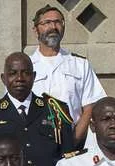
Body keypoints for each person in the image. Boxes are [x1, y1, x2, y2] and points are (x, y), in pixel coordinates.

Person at [29, 6, 107, 147]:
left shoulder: (80, 64)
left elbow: (91, 106)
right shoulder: (26, 66)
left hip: (73, 143)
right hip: (35, 145)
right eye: (47, 23)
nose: (53, 27)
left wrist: (73, 141)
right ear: (35, 30)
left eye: (58, 22)